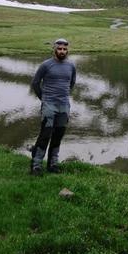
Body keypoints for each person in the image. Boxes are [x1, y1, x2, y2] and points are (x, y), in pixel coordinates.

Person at [30, 38, 76, 175]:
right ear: (54, 50)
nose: (62, 51)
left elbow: (71, 83)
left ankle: (53, 164)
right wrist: (44, 99)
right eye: (59, 49)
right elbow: (35, 83)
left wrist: (65, 96)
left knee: (58, 135)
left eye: (64, 49)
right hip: (49, 105)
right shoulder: (46, 65)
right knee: (45, 135)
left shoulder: (71, 66)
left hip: (64, 106)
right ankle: (36, 165)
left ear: (67, 50)